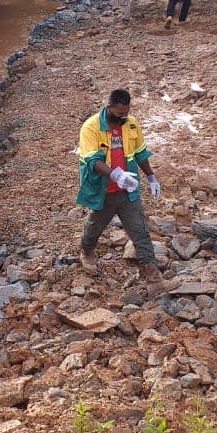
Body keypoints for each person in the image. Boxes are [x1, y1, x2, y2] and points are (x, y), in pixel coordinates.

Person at [76, 89, 163, 289]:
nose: (123, 118)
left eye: (126, 113)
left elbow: (140, 152)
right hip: (104, 191)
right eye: (119, 114)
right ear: (109, 108)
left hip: (128, 190)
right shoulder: (91, 127)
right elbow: (92, 160)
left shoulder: (131, 123)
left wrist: (150, 176)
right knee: (94, 228)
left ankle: (154, 278)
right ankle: (86, 251)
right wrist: (115, 175)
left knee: (140, 232)